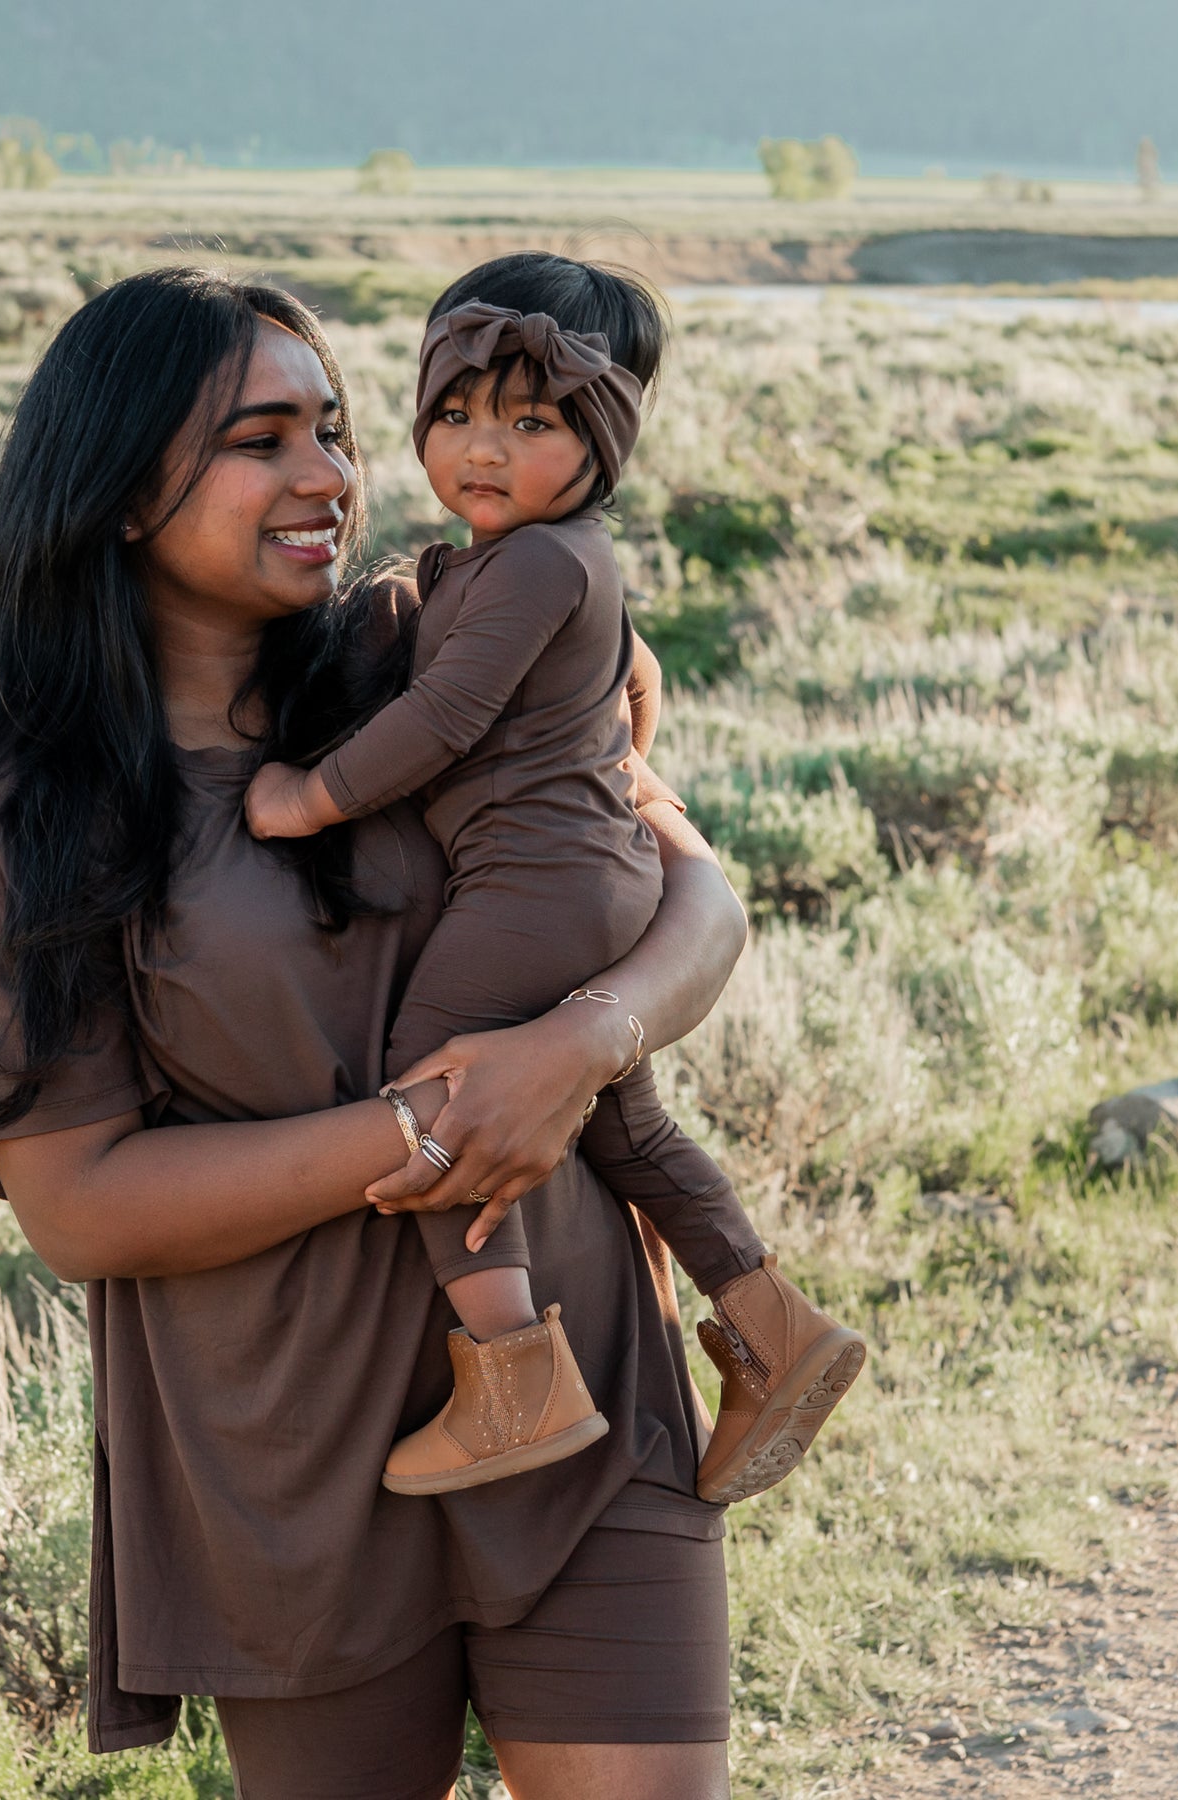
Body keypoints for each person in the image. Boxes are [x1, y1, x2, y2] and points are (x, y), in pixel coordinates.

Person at [0, 264, 744, 1799]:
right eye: (263, 439)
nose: (332, 475)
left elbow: (698, 898)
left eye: (335, 427)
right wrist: (435, 1129)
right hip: (288, 1460)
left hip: (577, 1378)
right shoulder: (22, 835)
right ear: (124, 488)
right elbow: (80, 1205)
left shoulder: (425, 665)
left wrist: (583, 1046)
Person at [245, 254, 865, 1502]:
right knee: (626, 1124)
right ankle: (776, 1327)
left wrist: (306, 796)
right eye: (458, 413)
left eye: (531, 422)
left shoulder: (538, 564)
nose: (484, 448)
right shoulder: (514, 559)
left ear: (609, 438)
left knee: (436, 1093)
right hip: (587, 880)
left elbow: (445, 717)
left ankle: (513, 1377)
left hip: (539, 886)